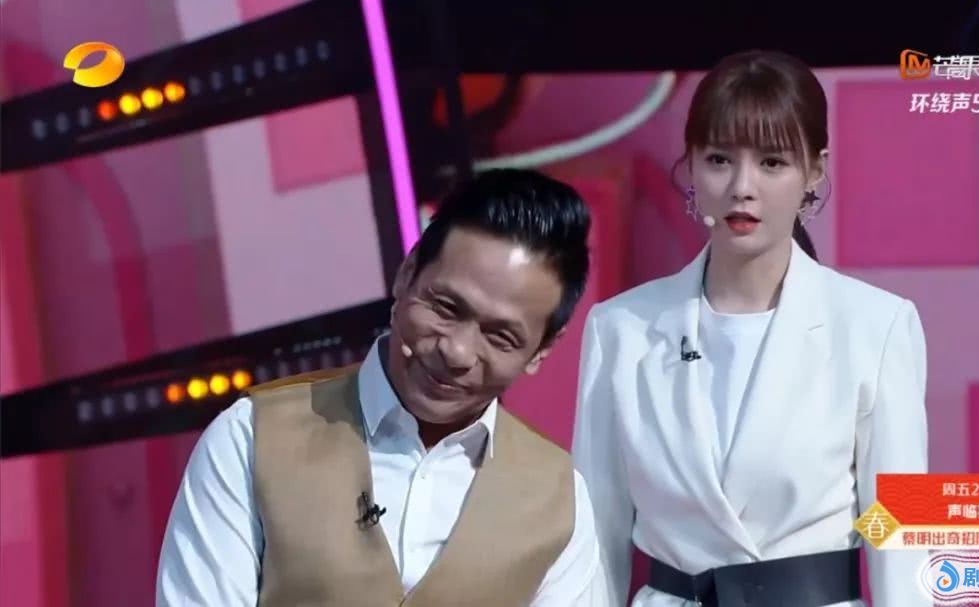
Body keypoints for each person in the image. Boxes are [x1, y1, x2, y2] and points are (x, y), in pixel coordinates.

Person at [573, 50, 930, 606]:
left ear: (814, 171)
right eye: (719, 159)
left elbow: (899, 530)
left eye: (772, 162)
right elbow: (596, 531)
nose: (742, 186)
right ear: (691, 166)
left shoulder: (875, 326)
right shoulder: (620, 330)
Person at [157, 168, 609, 606]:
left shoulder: (560, 503)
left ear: (541, 351)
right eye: (446, 307)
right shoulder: (252, 437)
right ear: (406, 274)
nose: (456, 351)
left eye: (500, 337)